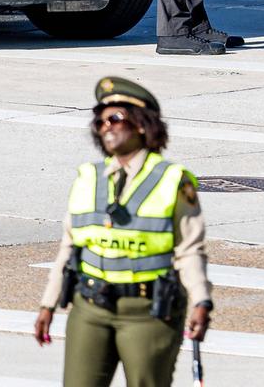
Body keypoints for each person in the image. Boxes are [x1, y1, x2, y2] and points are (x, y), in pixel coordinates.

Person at [34, 77, 214, 387]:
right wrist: (48, 304)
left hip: (148, 313)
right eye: (101, 120)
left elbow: (189, 249)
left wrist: (201, 301)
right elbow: (69, 246)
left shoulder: (172, 180)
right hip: (90, 306)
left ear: (142, 126)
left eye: (116, 118)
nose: (106, 126)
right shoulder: (88, 177)